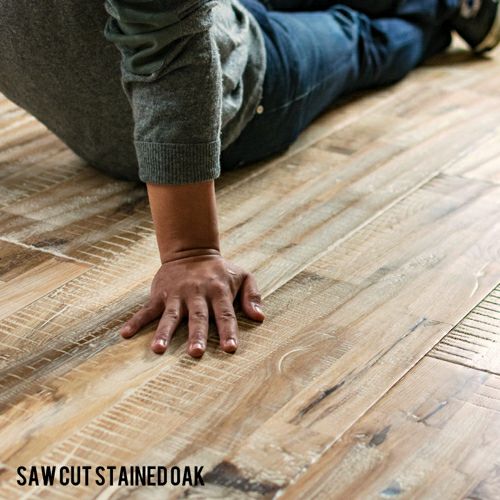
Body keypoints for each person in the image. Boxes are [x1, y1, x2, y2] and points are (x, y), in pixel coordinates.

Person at [0, 0, 498, 358]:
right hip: (240, 92)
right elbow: (169, 57)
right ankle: (443, 7)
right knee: (356, 35)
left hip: (205, 36)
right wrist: (191, 253)